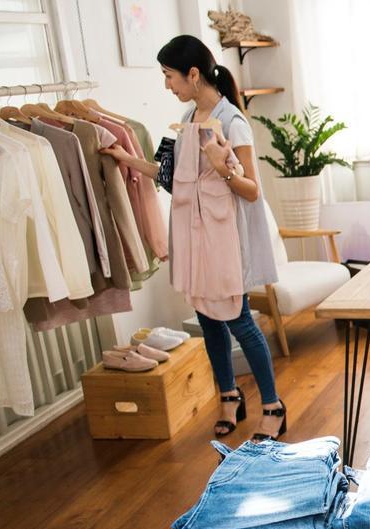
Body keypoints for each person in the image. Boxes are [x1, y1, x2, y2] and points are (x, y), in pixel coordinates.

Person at [102, 35, 285, 442]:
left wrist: (223, 169)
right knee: (207, 318)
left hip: (224, 242)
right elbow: (171, 178)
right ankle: (229, 396)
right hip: (195, 238)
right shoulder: (187, 120)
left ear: (193, 74)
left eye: (170, 76)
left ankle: (273, 405)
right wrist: (127, 160)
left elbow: (252, 190)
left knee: (238, 320)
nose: (168, 85)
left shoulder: (232, 122)